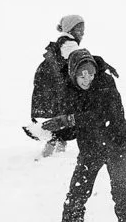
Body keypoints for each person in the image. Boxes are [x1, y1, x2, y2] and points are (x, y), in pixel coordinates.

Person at [46, 48, 126, 222]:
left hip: (116, 145)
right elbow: (73, 128)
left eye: (90, 73)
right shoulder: (68, 89)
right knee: (77, 193)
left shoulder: (105, 83)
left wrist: (70, 119)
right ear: (73, 73)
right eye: (82, 74)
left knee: (120, 192)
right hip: (90, 148)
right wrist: (53, 129)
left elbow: (102, 116)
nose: (86, 78)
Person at [28, 16, 84, 156]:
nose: (82, 32)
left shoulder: (63, 41)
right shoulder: (70, 44)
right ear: (70, 29)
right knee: (67, 114)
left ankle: (55, 145)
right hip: (58, 84)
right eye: (79, 29)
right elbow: (76, 63)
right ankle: (56, 147)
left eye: (83, 29)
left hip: (50, 82)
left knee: (60, 114)